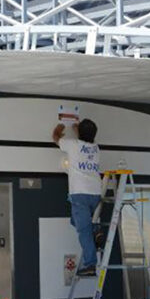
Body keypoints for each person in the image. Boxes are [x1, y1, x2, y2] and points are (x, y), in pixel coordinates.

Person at [53, 118, 102, 276]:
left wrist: (59, 128)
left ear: (79, 133)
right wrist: (78, 129)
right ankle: (97, 232)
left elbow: (56, 138)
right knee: (79, 223)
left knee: (83, 230)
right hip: (95, 192)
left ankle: (90, 265)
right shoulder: (95, 148)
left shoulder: (72, 145)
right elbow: (83, 141)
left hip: (79, 194)